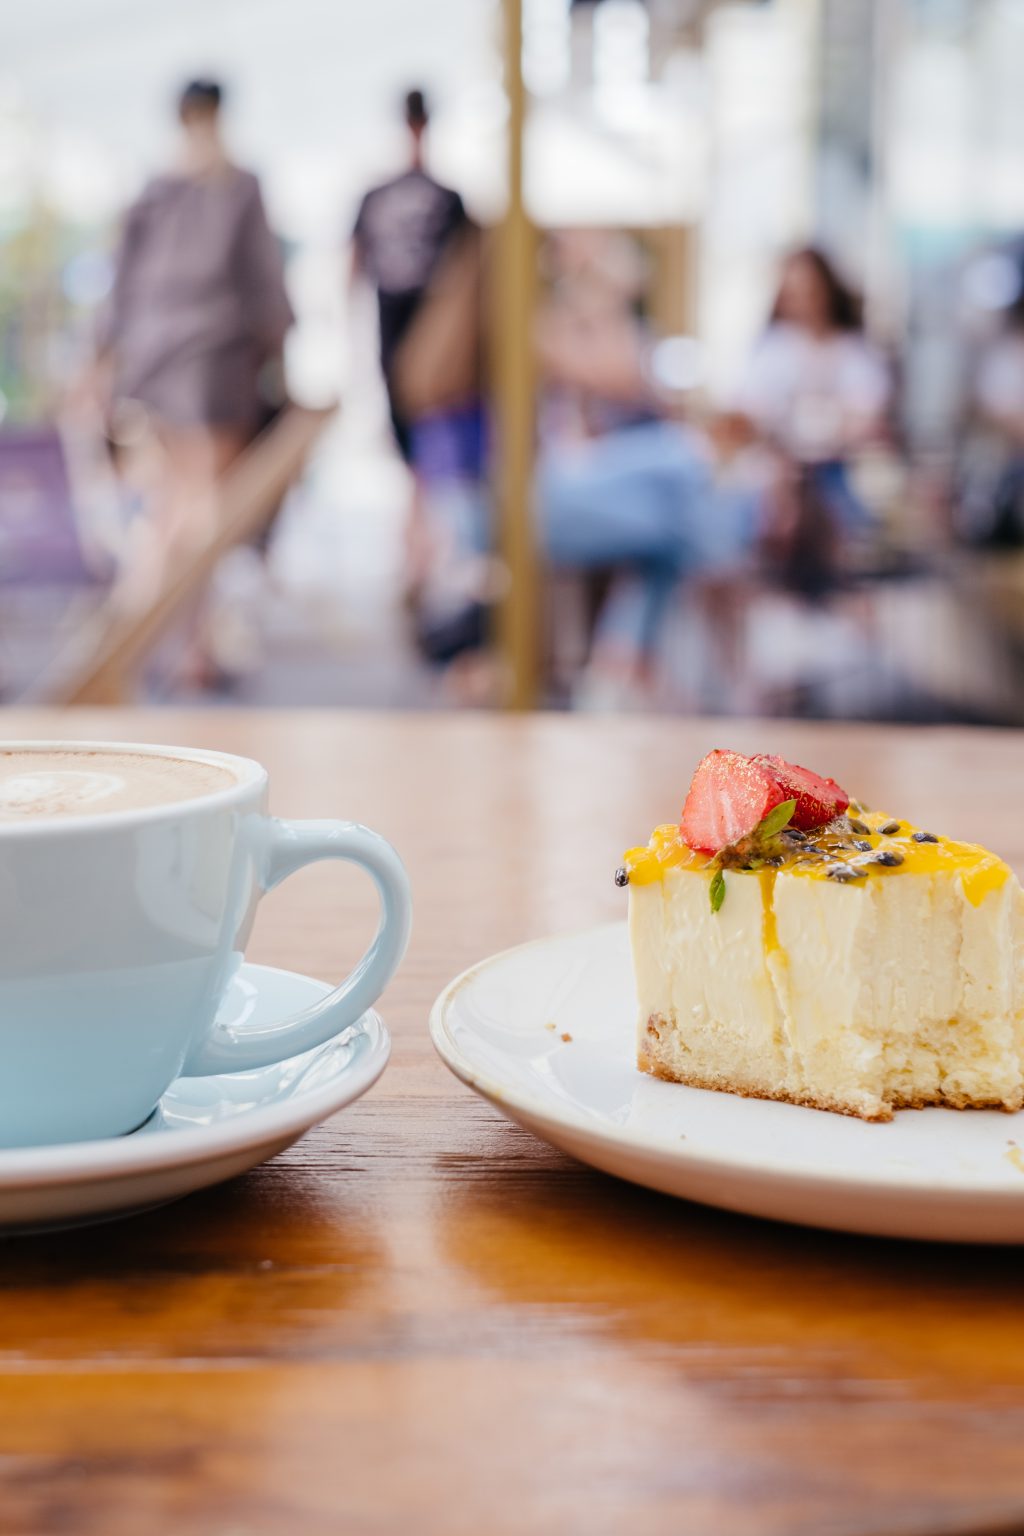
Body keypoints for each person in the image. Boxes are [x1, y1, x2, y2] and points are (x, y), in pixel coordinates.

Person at [97, 78, 294, 612]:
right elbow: (263, 279)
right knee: (206, 503)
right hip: (215, 364)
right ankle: (167, 633)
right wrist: (282, 347)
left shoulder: (153, 189)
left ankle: (154, 619)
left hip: (152, 363)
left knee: (171, 500)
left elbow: (120, 286)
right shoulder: (236, 185)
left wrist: (104, 362)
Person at [734, 247, 891, 557]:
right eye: (792, 293)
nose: (802, 303)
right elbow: (749, 413)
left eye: (809, 292)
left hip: (836, 475)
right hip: (777, 477)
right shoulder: (770, 351)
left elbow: (864, 418)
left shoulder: (853, 352)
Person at [351, 88, 468, 467]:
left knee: (425, 410)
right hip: (397, 314)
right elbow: (354, 261)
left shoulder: (447, 198)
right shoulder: (379, 194)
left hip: (432, 318)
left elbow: (464, 269)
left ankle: (422, 488)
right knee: (404, 410)